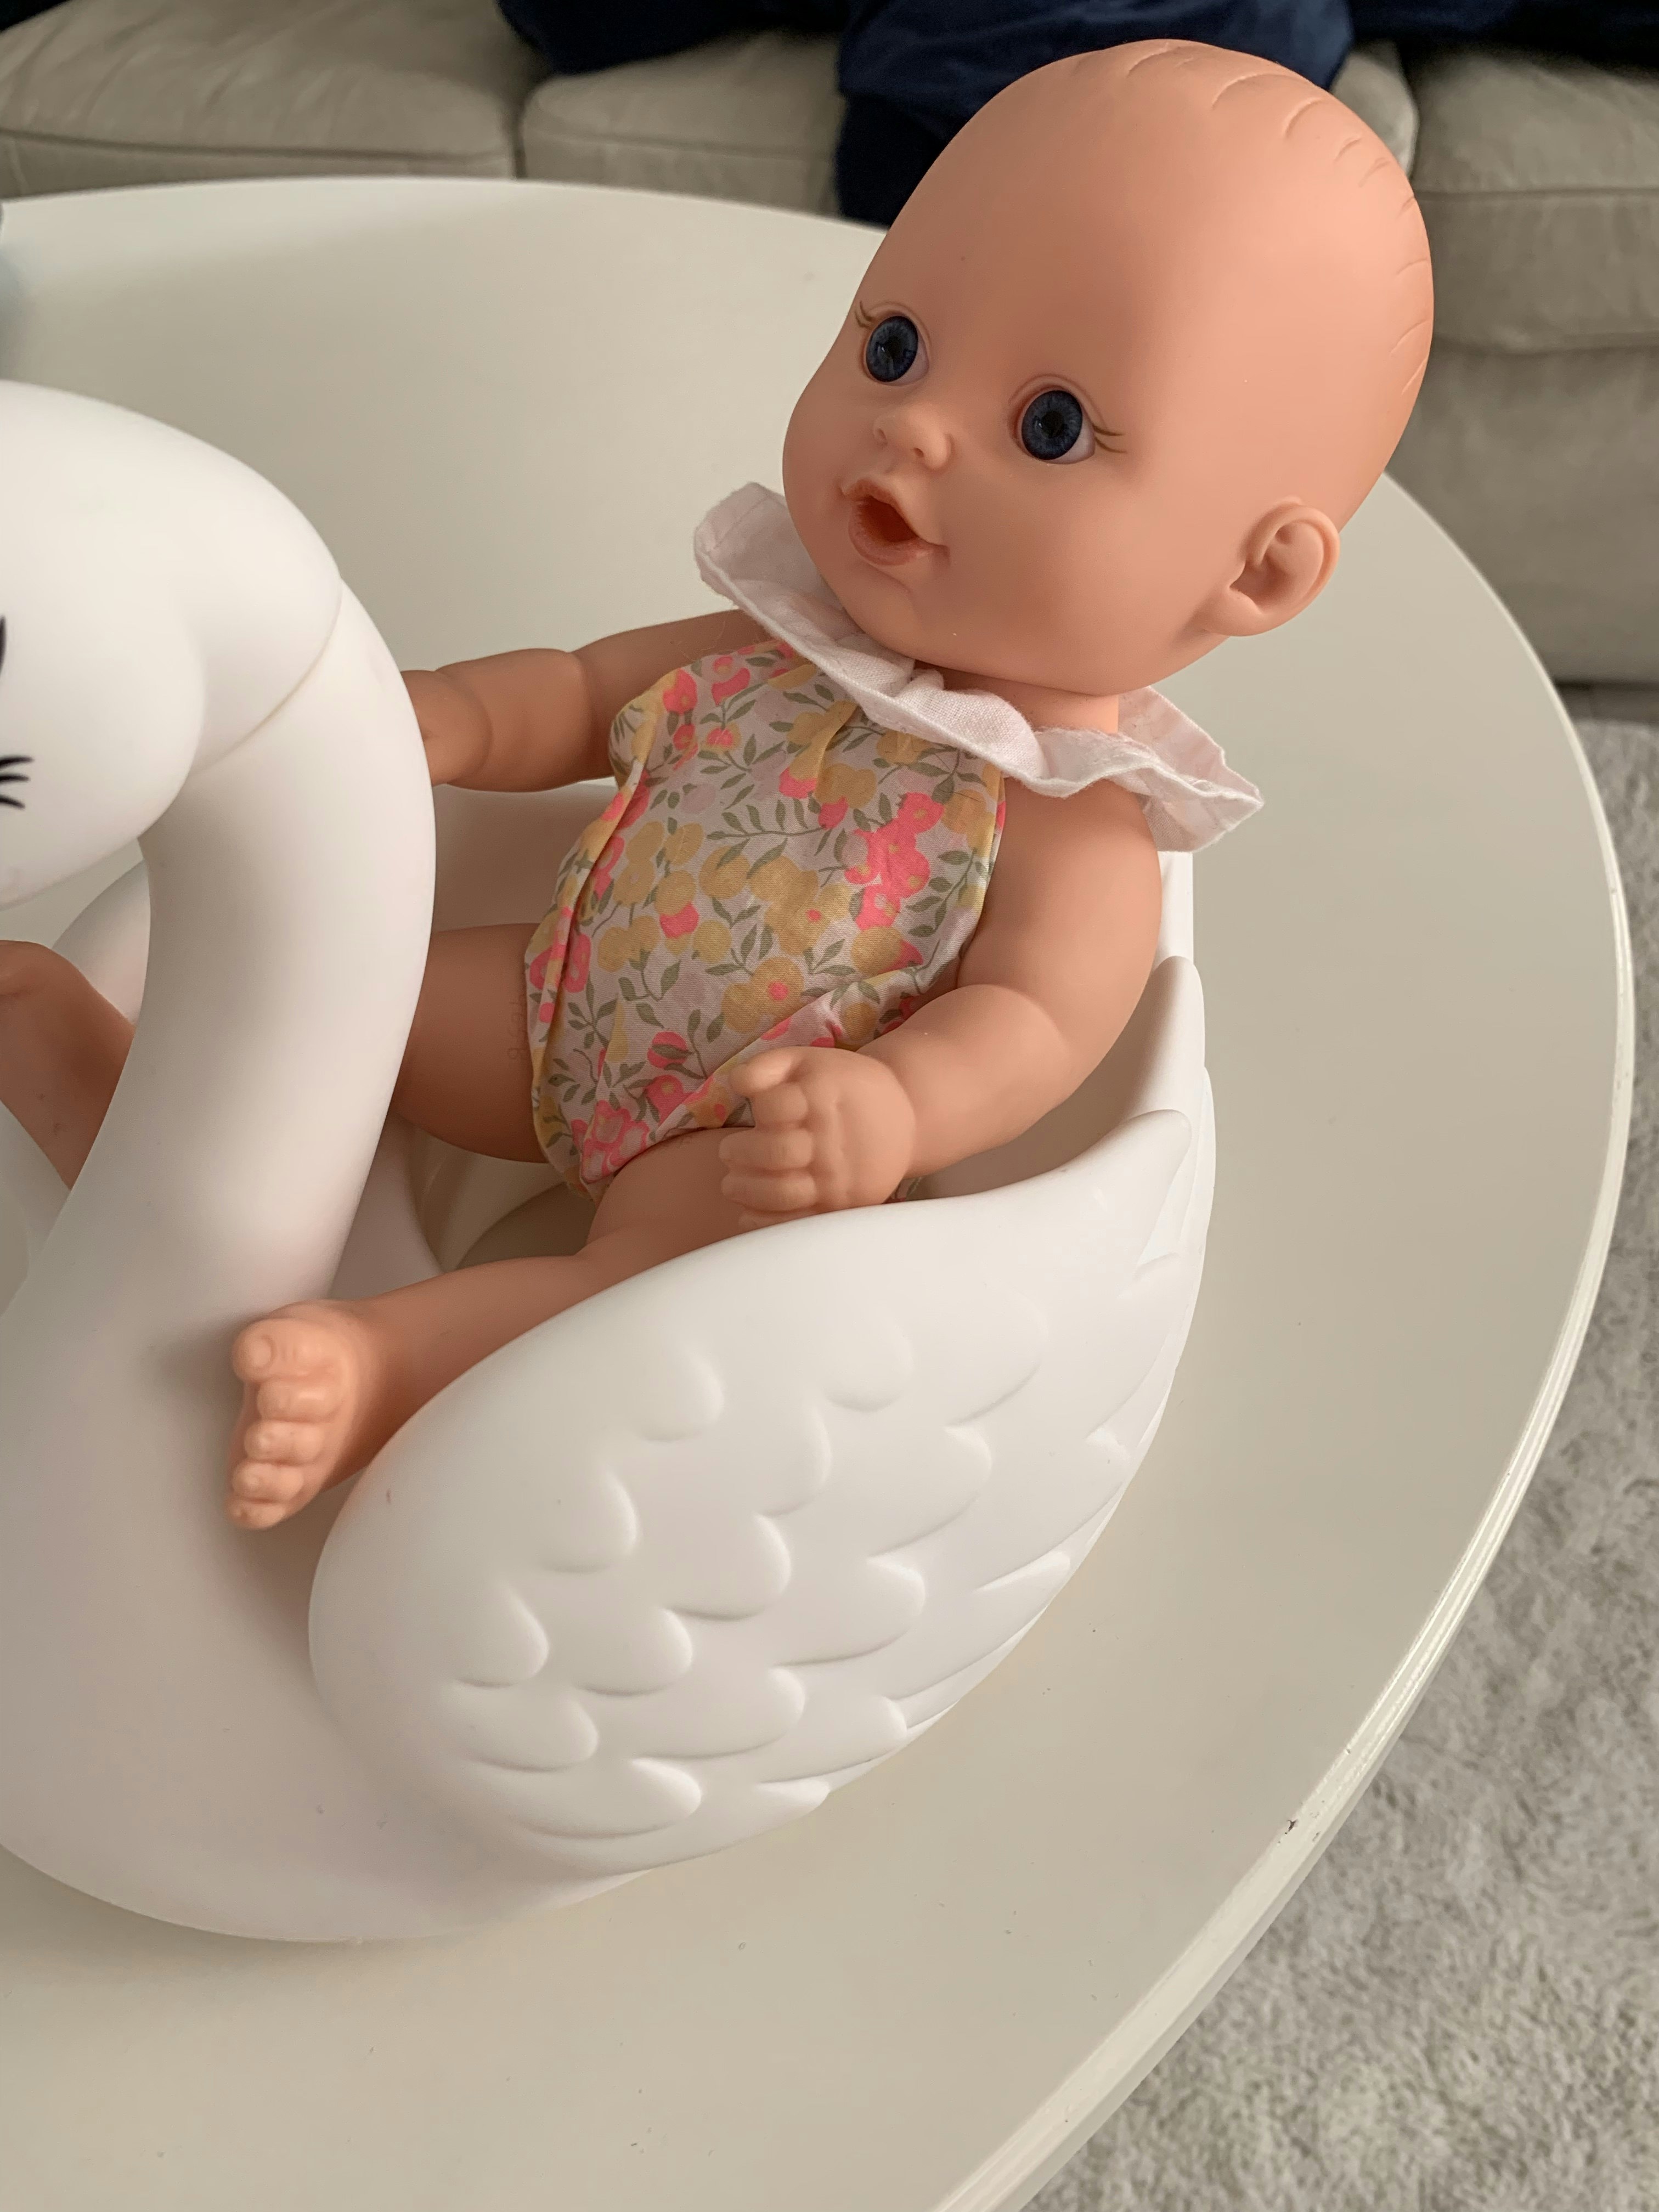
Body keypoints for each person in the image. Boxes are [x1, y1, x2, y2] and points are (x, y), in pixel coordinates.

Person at [0, 41, 1432, 1527]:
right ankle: (142, 1128)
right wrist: (418, 720)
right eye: (895, 347)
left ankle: (391, 1367)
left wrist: (894, 1109)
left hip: (738, 1144)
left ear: (1257, 573)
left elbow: (1038, 1022)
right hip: (549, 999)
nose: (914, 425)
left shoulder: (1075, 813)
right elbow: (579, 693)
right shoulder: (782, 643)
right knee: (328, 1004)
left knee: (637, 1297)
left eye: (1048, 426)